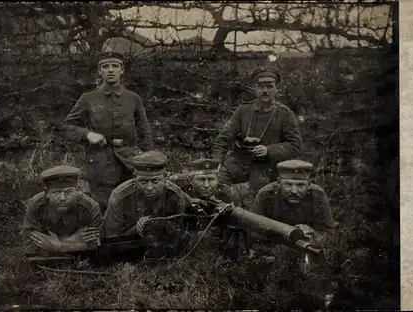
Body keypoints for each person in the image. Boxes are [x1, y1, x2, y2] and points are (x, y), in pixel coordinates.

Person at [61, 48, 154, 213]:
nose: (110, 70)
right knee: (102, 209)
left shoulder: (133, 98)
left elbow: (144, 132)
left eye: (115, 66)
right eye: (105, 66)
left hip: (130, 163)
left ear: (122, 70)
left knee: (130, 208)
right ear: (100, 71)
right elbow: (67, 127)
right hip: (100, 165)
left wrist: (150, 163)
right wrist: (88, 134)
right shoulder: (88, 98)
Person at [211, 67, 303, 195]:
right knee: (215, 187)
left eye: (269, 87)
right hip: (238, 165)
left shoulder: (285, 114)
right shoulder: (243, 110)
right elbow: (223, 139)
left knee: (257, 202)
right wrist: (216, 164)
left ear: (276, 89)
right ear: (255, 88)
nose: (265, 91)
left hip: (267, 170)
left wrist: (269, 150)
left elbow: (296, 146)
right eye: (261, 86)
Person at [101, 151, 192, 238]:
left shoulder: (175, 195)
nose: (149, 187)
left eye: (155, 181)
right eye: (143, 181)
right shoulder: (120, 196)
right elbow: (112, 238)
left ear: (165, 178)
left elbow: (181, 231)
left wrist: (160, 224)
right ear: (135, 178)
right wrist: (136, 229)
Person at [21, 165, 102, 255]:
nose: (62, 198)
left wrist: (59, 246)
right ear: (46, 192)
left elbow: (96, 246)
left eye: (68, 192)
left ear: (77, 191)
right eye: (56, 192)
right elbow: (29, 248)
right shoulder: (36, 206)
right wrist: (74, 241)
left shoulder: (90, 207)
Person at [251, 159, 339, 239]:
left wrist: (313, 234)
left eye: (300, 185)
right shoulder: (265, 195)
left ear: (308, 185)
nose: (294, 191)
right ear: (278, 183)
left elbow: (330, 234)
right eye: (288, 184)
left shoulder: (318, 196)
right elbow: (252, 230)